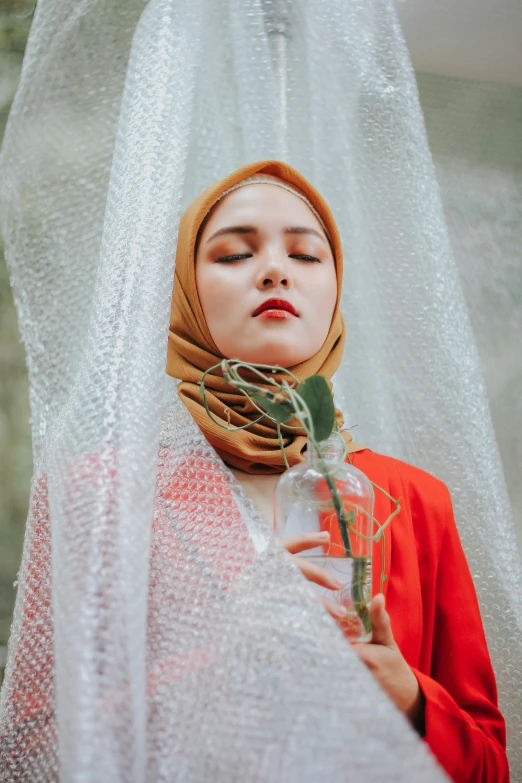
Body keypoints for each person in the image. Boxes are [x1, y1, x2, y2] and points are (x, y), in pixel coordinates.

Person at [166, 159, 510, 783]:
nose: (274, 269)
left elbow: (489, 764)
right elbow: (37, 744)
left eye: (306, 254)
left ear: (335, 289)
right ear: (185, 291)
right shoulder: (105, 496)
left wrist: (410, 699)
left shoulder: (414, 500)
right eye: (235, 254)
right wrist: (221, 670)